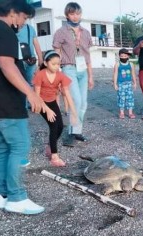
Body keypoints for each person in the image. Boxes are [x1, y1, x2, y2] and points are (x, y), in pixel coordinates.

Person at [0, 0, 47, 214]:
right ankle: (17, 198)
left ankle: (3, 195)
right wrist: (30, 93)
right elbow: (7, 65)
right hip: (6, 102)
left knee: (3, 149)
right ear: (14, 12)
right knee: (19, 147)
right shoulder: (5, 32)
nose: (23, 23)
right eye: (24, 17)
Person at [53, 2, 94, 147]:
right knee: (75, 101)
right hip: (68, 68)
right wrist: (56, 72)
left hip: (83, 69)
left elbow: (87, 56)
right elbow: (56, 52)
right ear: (67, 15)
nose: (75, 17)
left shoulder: (86, 32)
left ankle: (77, 130)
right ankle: (70, 132)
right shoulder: (61, 31)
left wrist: (90, 76)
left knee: (83, 103)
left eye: (77, 13)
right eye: (72, 14)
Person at [33, 50, 77, 166]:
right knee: (53, 125)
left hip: (52, 102)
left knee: (60, 126)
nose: (57, 66)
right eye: (54, 64)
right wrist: (47, 110)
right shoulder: (40, 74)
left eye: (58, 64)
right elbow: (36, 96)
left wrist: (74, 113)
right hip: (40, 102)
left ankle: (49, 146)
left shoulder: (61, 76)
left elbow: (67, 94)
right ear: (46, 63)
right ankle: (54, 156)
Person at [17, 22, 43, 88]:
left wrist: (40, 59)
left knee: (31, 83)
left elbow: (36, 44)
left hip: (31, 60)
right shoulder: (10, 28)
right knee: (21, 84)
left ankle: (30, 98)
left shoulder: (30, 28)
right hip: (18, 61)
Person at [113, 48, 137, 119]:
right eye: (122, 56)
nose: (123, 57)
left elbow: (133, 73)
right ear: (119, 56)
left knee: (130, 98)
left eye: (125, 56)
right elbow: (115, 74)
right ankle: (122, 113)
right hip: (121, 84)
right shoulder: (117, 64)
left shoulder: (131, 64)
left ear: (128, 56)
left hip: (129, 84)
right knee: (121, 98)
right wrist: (115, 84)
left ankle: (130, 113)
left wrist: (135, 83)